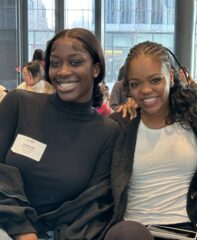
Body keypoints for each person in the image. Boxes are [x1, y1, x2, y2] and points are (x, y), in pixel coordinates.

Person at [0, 28, 119, 240]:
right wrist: (24, 231)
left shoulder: (107, 132)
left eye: (75, 62)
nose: (63, 71)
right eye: (55, 63)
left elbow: (91, 209)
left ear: (96, 69)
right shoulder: (18, 104)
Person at [104, 41, 197, 240]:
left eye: (155, 80)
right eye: (136, 84)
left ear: (171, 77)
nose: (146, 90)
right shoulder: (120, 126)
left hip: (188, 230)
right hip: (134, 231)